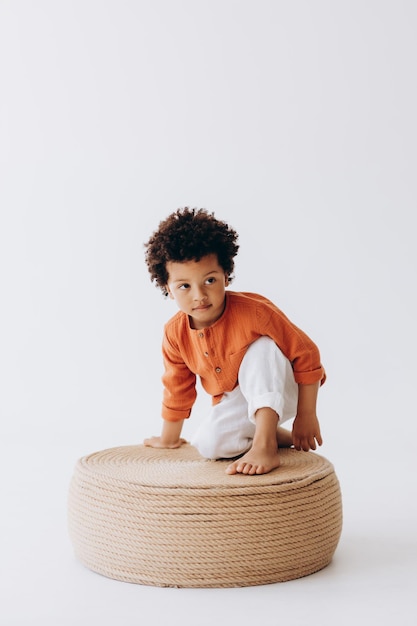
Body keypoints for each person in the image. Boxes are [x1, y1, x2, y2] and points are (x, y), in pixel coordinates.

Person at [143, 207, 325, 476]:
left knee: (262, 347)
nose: (199, 295)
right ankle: (272, 432)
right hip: (238, 397)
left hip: (282, 382)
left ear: (226, 276)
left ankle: (265, 444)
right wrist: (169, 438)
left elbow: (306, 354)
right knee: (208, 444)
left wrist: (307, 414)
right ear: (167, 289)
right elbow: (177, 386)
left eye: (209, 280)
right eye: (184, 286)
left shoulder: (256, 313)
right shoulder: (175, 334)